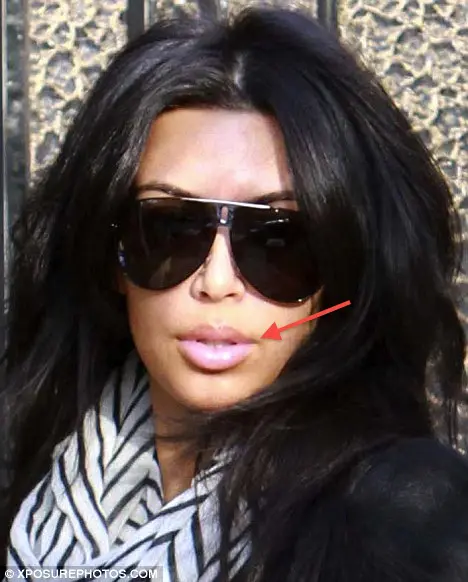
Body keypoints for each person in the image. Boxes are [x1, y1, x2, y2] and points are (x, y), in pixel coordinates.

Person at [1, 5, 467, 581]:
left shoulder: (406, 519)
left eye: (279, 241)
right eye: (168, 229)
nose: (217, 282)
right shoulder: (46, 491)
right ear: (109, 253)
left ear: (339, 272)